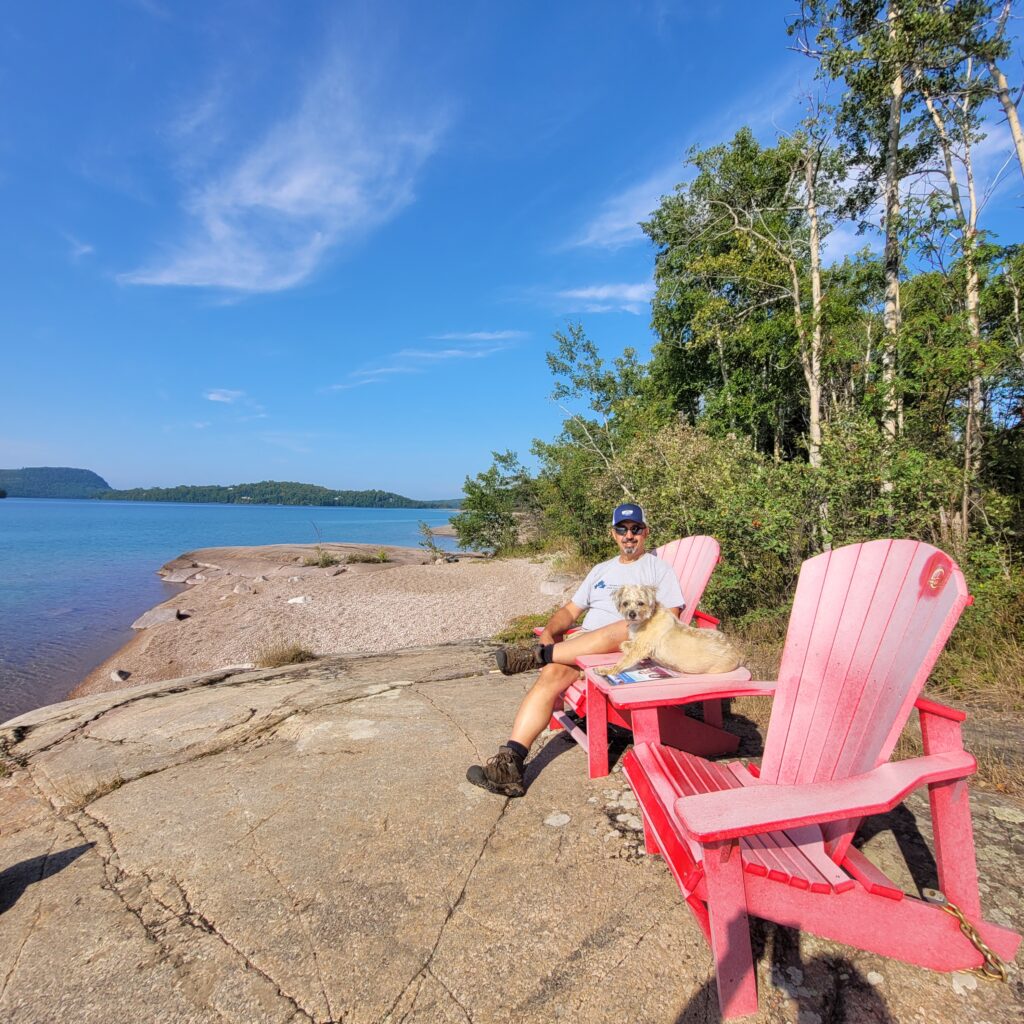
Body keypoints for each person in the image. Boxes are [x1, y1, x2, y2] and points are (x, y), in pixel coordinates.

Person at [466, 503, 685, 797]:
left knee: (631, 623)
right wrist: (548, 631)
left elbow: (670, 616)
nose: (629, 535)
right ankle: (511, 764)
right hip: (581, 648)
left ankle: (537, 656)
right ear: (613, 533)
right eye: (622, 529)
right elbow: (570, 611)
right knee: (550, 676)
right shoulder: (600, 570)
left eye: (635, 529)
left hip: (629, 647)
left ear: (645, 532)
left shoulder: (659, 570)